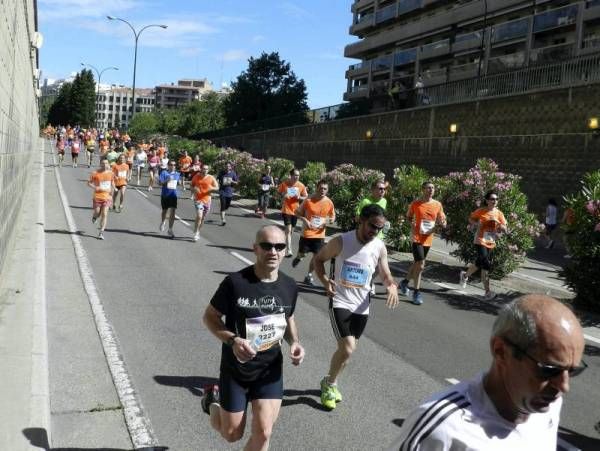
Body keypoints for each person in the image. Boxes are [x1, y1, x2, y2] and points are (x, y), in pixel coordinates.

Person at [389, 294, 586, 451]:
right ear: (500, 351)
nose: (563, 386)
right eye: (549, 370)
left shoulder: (548, 405)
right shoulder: (442, 428)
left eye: (572, 371)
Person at [202, 225, 305, 451]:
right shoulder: (235, 283)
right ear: (255, 249)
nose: (273, 252)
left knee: (264, 433)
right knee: (231, 434)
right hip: (236, 371)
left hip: (269, 370)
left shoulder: (289, 286)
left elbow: (288, 317)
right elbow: (210, 317)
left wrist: (295, 342)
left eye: (279, 246)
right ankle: (212, 401)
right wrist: (232, 340)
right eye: (267, 246)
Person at [313, 204, 399, 410]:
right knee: (348, 348)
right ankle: (330, 384)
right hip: (340, 300)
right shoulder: (342, 241)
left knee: (346, 353)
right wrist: (325, 281)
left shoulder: (379, 246)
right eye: (372, 226)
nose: (375, 231)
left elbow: (385, 273)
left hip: (362, 305)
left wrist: (391, 286)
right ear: (361, 220)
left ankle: (330, 381)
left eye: (379, 228)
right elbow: (318, 260)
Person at [399, 181, 447, 305]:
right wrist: (412, 223)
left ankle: (404, 282)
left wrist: (443, 223)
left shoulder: (437, 204)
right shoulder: (416, 203)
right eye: (428, 188)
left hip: (428, 238)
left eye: (433, 188)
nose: (431, 190)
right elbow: (409, 217)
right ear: (423, 190)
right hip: (416, 237)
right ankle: (416, 292)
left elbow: (442, 219)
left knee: (417, 263)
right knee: (420, 265)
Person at [459, 190, 507, 301]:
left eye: (496, 199)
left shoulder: (499, 213)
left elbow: (505, 227)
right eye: (492, 199)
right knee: (486, 263)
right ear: (487, 200)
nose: (495, 201)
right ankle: (487, 292)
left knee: (479, 263)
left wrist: (501, 227)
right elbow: (471, 219)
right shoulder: (481, 211)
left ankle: (465, 275)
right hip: (480, 240)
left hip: (491, 241)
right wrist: (476, 224)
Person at [292, 180, 335, 286]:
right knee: (303, 253)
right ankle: (299, 257)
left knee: (317, 257)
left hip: (320, 235)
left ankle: (309, 275)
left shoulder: (329, 202)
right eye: (321, 188)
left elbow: (333, 216)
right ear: (317, 188)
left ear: (327, 190)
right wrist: (305, 220)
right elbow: (296, 212)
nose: (322, 190)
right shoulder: (308, 200)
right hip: (306, 233)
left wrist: (329, 221)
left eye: (325, 189)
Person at [277, 168, 308, 257]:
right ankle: (289, 250)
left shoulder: (301, 185)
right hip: (286, 209)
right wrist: (283, 195)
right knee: (289, 229)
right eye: (295, 175)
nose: (297, 177)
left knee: (290, 232)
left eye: (298, 175)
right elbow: (278, 193)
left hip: (296, 211)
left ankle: (281, 242)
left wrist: (299, 198)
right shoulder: (285, 184)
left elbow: (306, 197)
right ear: (291, 175)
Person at [87, 157, 115, 240]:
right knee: (97, 212)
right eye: (103, 163)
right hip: (98, 196)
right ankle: (94, 217)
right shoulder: (95, 173)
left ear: (108, 164)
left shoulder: (111, 173)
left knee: (105, 214)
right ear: (100, 164)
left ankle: (101, 233)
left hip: (107, 197)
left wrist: (112, 196)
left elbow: (112, 184)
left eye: (106, 163)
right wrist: (95, 187)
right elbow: (88, 183)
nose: (105, 165)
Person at [190, 164, 219, 242]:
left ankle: (198, 230)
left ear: (208, 170)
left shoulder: (211, 178)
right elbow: (191, 186)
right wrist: (194, 189)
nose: (205, 170)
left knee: (202, 218)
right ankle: (196, 233)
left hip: (207, 200)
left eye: (206, 169)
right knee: (199, 216)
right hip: (198, 200)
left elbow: (217, 187)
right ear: (201, 169)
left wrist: (211, 188)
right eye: (203, 169)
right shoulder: (196, 176)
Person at [158, 160, 181, 239]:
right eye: (171, 164)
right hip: (165, 195)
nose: (173, 166)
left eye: (174, 165)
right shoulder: (164, 173)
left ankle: (170, 229)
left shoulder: (177, 174)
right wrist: (166, 180)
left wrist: (179, 182)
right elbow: (160, 183)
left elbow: (178, 182)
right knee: (165, 210)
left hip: (173, 195)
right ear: (168, 165)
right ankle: (163, 222)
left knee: (173, 210)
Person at [217, 162, 239, 226]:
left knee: (227, 205)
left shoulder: (233, 173)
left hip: (229, 192)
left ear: (231, 167)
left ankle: (223, 209)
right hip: (222, 191)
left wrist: (232, 181)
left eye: (229, 166)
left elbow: (237, 182)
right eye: (226, 166)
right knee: (223, 206)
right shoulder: (221, 172)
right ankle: (223, 220)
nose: (227, 167)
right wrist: (218, 182)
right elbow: (217, 179)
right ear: (224, 166)